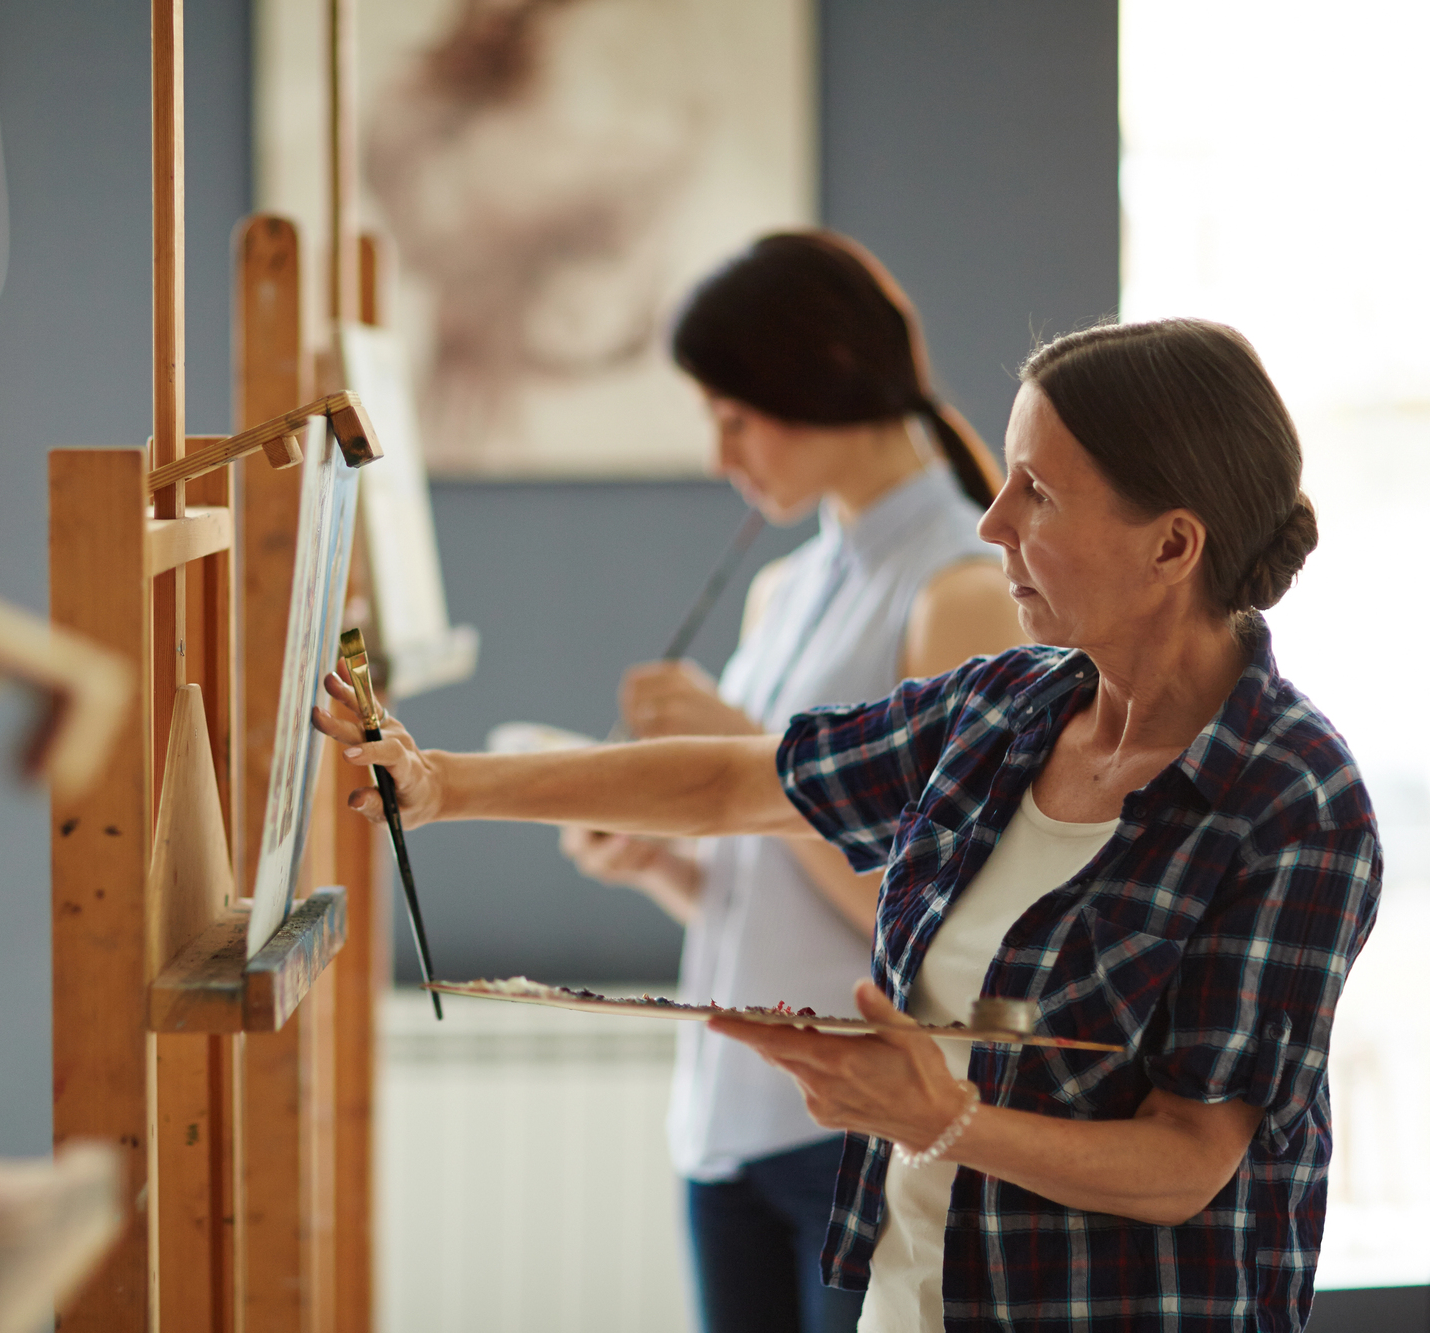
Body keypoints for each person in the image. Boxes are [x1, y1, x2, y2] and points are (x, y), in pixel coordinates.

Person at [315, 318, 1377, 1333]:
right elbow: (741, 784)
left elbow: (1188, 1158)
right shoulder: (1004, 709)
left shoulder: (1292, 802)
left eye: (1036, 492)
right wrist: (444, 783)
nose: (990, 518)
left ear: (1170, 546)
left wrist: (942, 1122)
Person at [553, 231, 1023, 1333]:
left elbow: (937, 928)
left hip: (858, 1130)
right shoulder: (782, 589)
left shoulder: (959, 591)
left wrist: (753, 751)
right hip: (727, 1126)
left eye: (733, 414)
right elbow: (770, 893)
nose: (721, 454)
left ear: (819, 372)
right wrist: (663, 864)